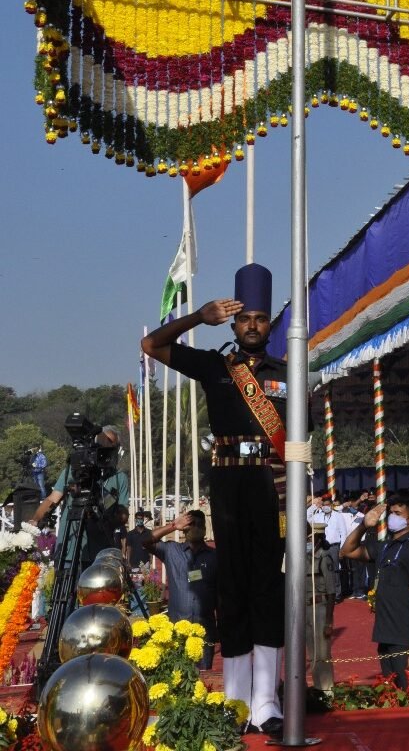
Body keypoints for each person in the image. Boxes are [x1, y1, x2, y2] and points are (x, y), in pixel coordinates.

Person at [141, 263, 287, 737]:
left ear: (270, 324)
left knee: (267, 586)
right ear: (231, 323)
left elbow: (299, 435)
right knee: (234, 588)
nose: (251, 326)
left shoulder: (287, 373)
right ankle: (237, 698)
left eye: (261, 318)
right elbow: (152, 346)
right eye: (244, 318)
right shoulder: (215, 365)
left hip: (269, 484)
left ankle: (267, 700)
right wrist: (196, 317)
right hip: (227, 486)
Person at [341, 494, 409, 688]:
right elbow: (346, 551)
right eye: (391, 512)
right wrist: (364, 525)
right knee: (391, 693)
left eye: (398, 513)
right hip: (385, 634)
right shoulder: (385, 546)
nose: (392, 516)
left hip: (405, 638)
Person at [31, 425, 129, 567]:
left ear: (116, 448)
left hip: (100, 552)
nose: (104, 447)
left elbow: (123, 514)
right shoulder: (75, 470)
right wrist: (35, 520)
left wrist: (105, 521)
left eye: (110, 444)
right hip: (69, 547)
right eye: (101, 442)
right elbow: (52, 499)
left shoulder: (120, 478)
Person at [144, 510, 218, 668]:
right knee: (177, 678)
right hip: (177, 630)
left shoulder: (215, 556)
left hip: (204, 631)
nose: (194, 528)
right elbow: (145, 540)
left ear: (205, 529)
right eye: (190, 524)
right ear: (184, 528)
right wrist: (172, 526)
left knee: (203, 680)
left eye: (198, 524)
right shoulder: (171, 550)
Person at [305, 515, 336, 694]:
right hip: (306, 607)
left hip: (320, 608)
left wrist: (329, 621)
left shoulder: (324, 558)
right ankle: (317, 688)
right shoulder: (305, 556)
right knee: (312, 652)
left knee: (322, 653)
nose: (307, 540)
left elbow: (331, 591)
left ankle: (327, 690)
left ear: (317, 537)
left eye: (309, 538)